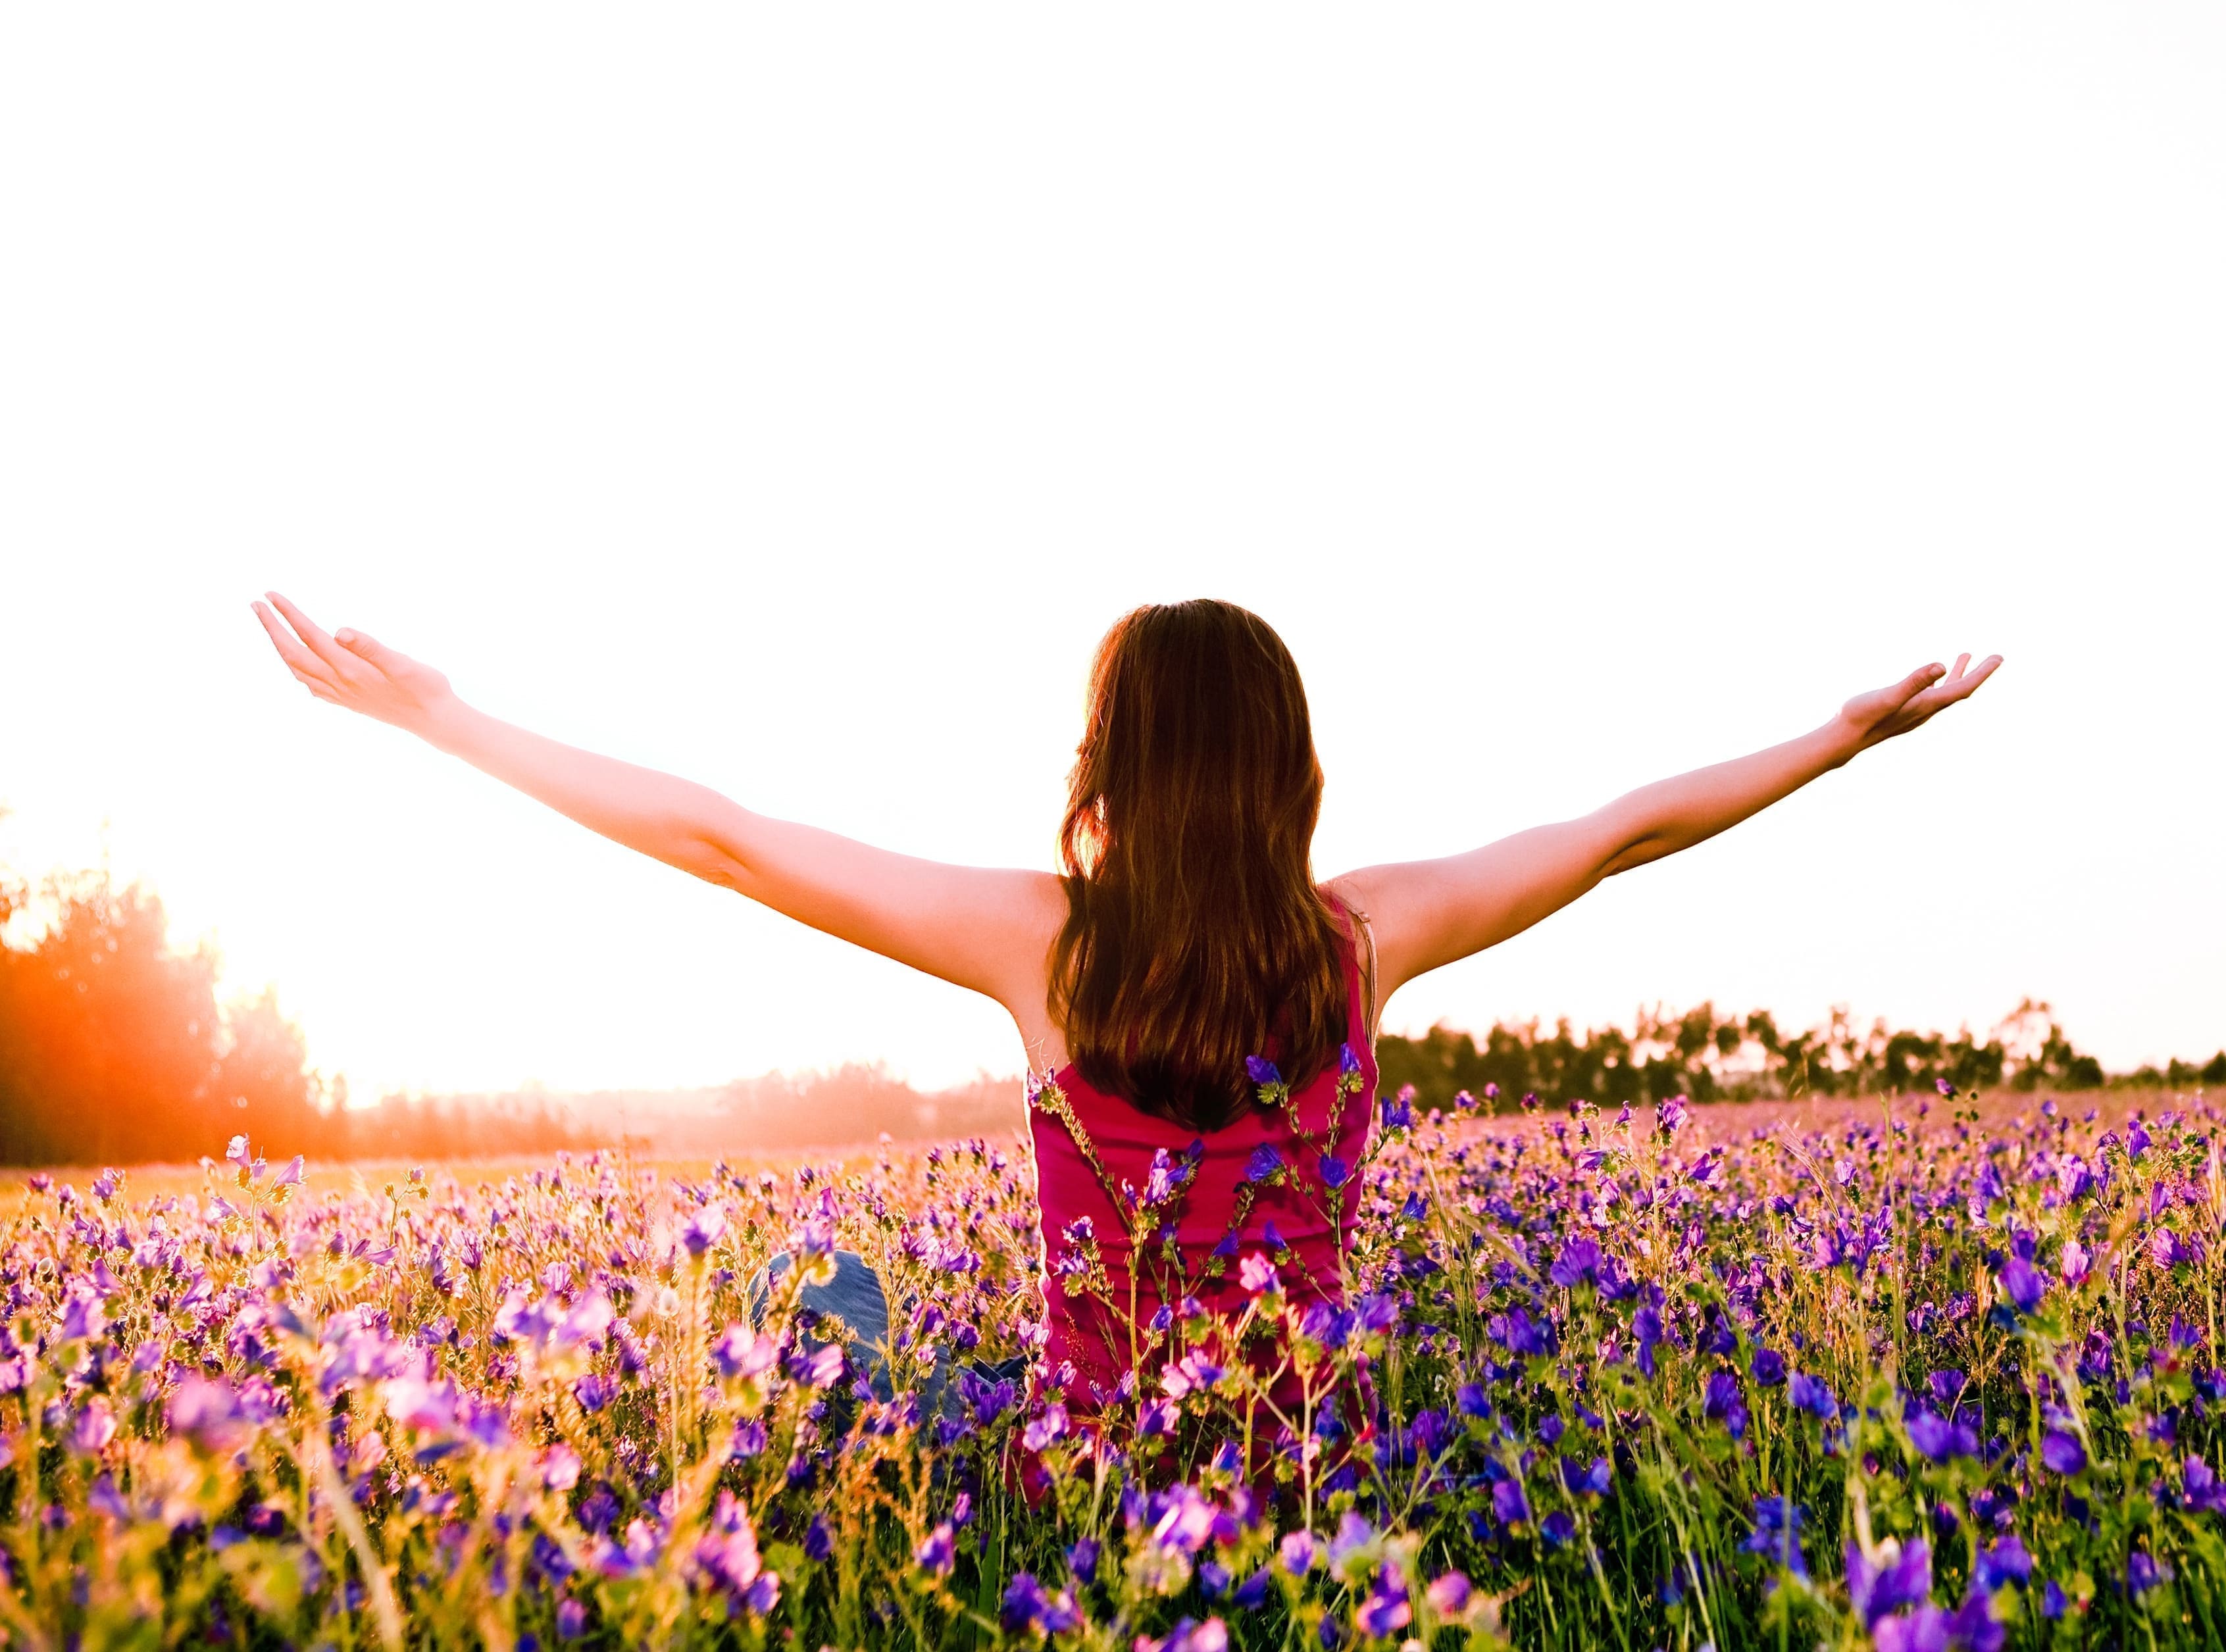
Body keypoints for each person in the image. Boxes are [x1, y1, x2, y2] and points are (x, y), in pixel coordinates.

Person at [253, 593, 1996, 1418]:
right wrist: (1839, 739)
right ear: (1287, 766)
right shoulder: (1362, 940)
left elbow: (726, 841)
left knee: (823, 1303)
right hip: (1310, 1496)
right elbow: (1619, 835)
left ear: (1111, 762)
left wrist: (447, 720)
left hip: (1084, 1497)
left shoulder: (1048, 950)